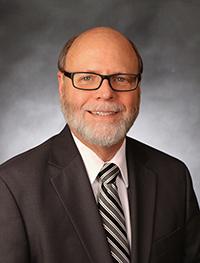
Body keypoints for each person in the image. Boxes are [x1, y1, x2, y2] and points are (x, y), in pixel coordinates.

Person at [0, 27, 199, 263]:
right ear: (62, 84)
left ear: (139, 86)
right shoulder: (12, 187)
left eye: (122, 78)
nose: (106, 93)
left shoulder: (174, 176)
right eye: (87, 78)